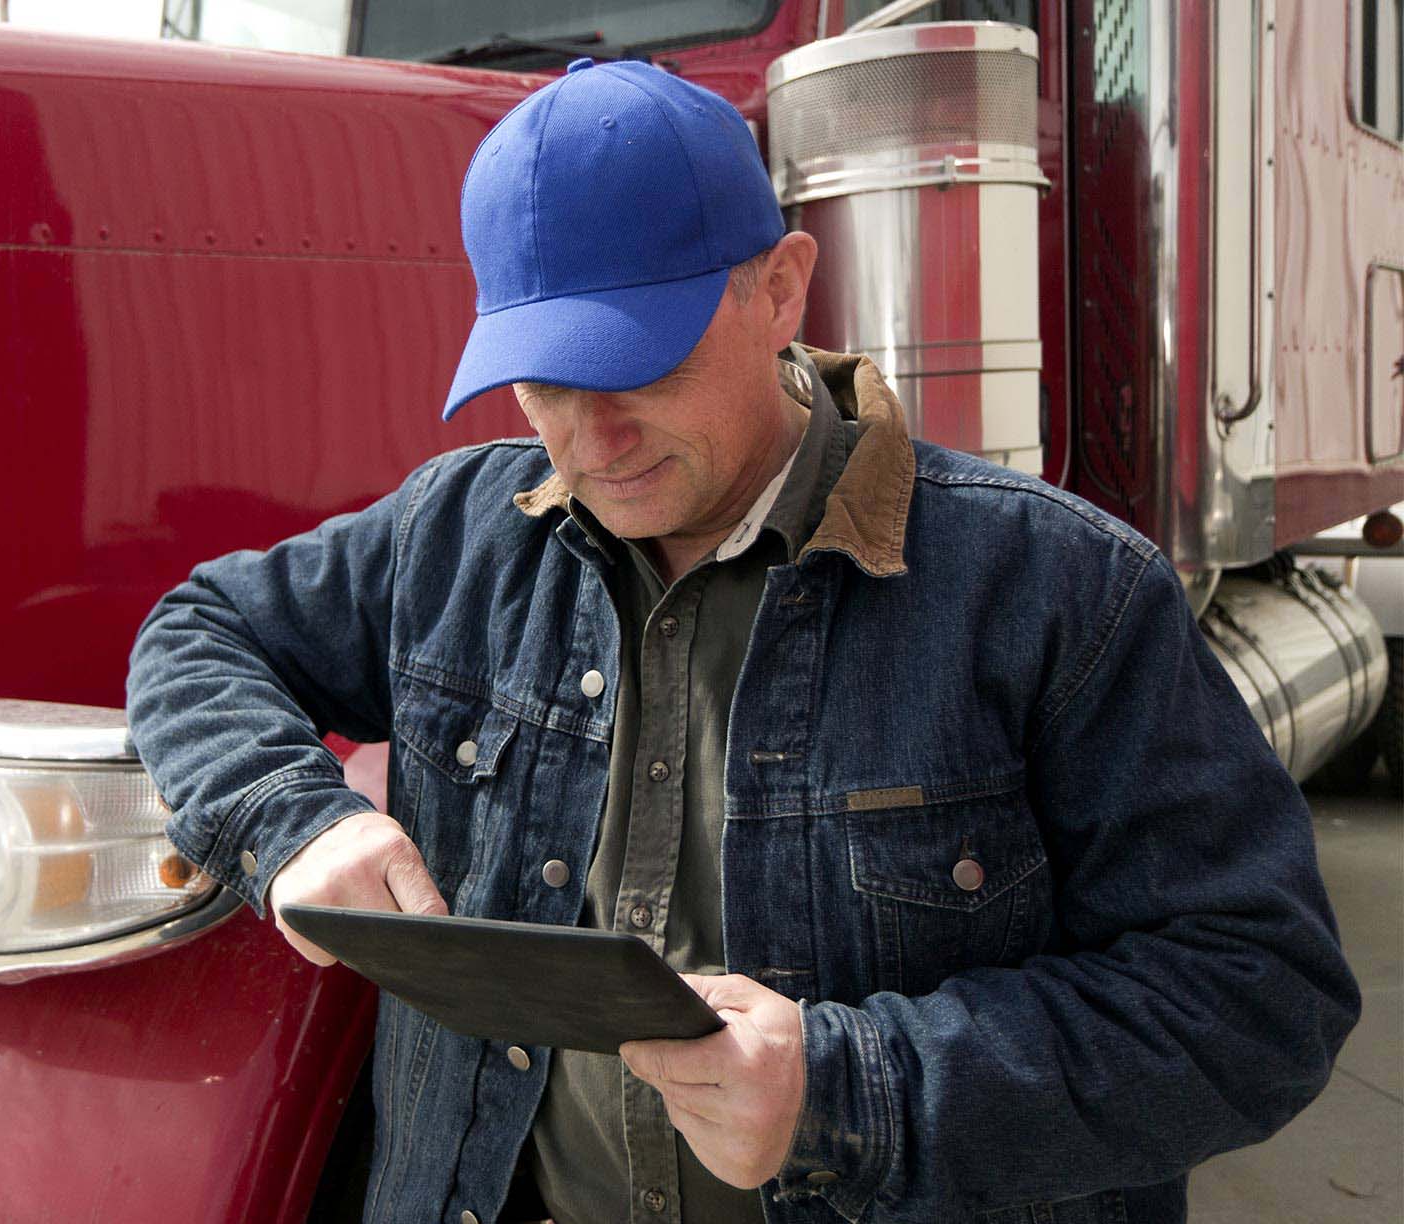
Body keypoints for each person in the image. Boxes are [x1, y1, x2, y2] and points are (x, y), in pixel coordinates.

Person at [125, 58, 1358, 1224]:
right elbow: (200, 628)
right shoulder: (456, 532)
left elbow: (1255, 1001)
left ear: (779, 287)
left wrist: (846, 1090)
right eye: (545, 383)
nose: (592, 438)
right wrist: (290, 820)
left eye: (639, 367)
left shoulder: (1057, 593)